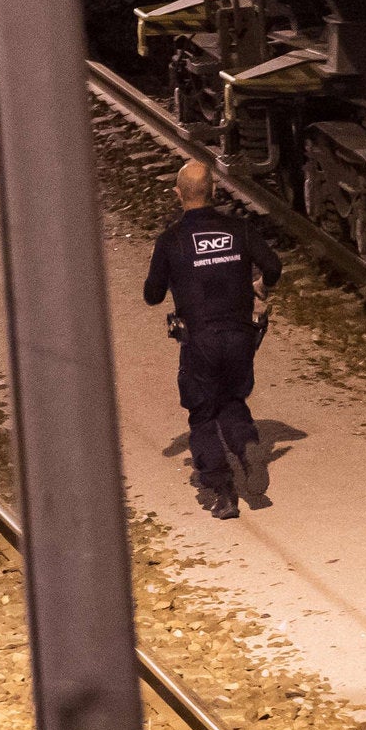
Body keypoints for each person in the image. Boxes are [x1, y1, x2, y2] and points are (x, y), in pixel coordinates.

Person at [143, 160, 281, 519]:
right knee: (232, 400)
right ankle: (248, 445)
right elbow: (274, 266)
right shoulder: (240, 229)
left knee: (203, 413)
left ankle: (223, 492)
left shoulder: (171, 240)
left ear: (178, 195)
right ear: (214, 192)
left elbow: (153, 295)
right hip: (240, 336)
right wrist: (261, 288)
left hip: (199, 340)